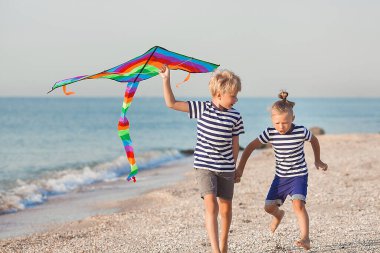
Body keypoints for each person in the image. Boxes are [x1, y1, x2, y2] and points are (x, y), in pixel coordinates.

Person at [159, 65, 244, 253]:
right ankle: (215, 250)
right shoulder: (201, 108)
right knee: (211, 203)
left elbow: (235, 144)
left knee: (226, 208)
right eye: (233, 95)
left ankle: (224, 244)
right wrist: (166, 80)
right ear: (220, 93)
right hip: (204, 166)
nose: (236, 99)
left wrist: (235, 167)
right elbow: (171, 103)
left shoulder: (235, 116)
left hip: (226, 167)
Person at [235, 91, 328, 250]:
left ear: (292, 118)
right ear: (272, 120)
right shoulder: (270, 133)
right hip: (280, 178)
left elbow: (314, 140)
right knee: (268, 207)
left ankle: (305, 238)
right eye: (277, 123)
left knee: (298, 205)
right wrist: (240, 169)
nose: (281, 127)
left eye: (285, 122)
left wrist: (317, 160)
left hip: (299, 175)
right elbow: (250, 147)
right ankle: (278, 215)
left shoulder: (300, 131)